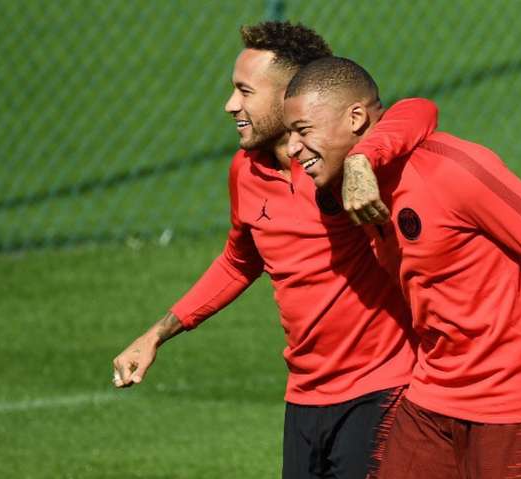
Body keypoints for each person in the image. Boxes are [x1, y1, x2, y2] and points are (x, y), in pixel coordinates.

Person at [112, 22, 439, 479]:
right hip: (304, 400)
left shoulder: (343, 160)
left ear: (290, 95)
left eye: (245, 92)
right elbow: (239, 261)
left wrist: (363, 164)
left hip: (384, 390)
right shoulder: (244, 171)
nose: (230, 105)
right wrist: (157, 334)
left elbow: (419, 110)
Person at [283, 56, 521, 478]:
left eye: (303, 132)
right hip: (432, 396)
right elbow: (414, 110)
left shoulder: (454, 169)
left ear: (356, 117)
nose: (292, 148)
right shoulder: (349, 187)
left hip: (514, 405)